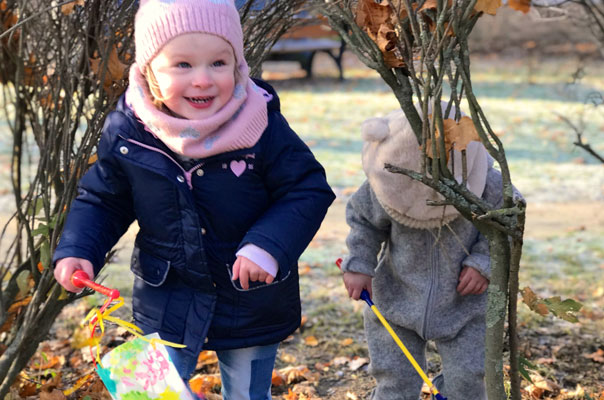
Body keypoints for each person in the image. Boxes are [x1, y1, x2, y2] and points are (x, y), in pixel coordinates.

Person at [52, 0, 335, 399]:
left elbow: (307, 189)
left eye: (218, 63)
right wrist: (79, 248)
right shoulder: (129, 130)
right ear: (149, 71)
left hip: (249, 297)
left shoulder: (260, 124)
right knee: (150, 392)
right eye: (182, 65)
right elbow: (104, 199)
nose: (202, 80)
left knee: (248, 393)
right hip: (166, 293)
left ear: (237, 65)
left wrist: (267, 246)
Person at [340, 104, 509, 400]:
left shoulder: (487, 185)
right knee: (395, 382)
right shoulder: (388, 178)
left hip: (465, 305)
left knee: (468, 379)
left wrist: (484, 262)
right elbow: (363, 221)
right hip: (396, 298)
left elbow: (507, 222)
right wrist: (359, 263)